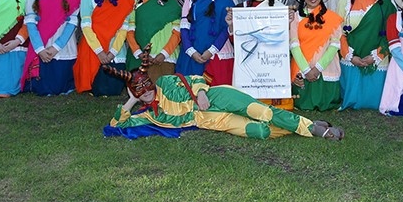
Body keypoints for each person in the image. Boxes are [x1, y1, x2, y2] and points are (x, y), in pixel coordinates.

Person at [104, 63, 344, 140]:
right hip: (210, 119)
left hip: (216, 96)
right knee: (259, 131)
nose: (145, 91)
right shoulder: (146, 116)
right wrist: (130, 102)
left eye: (145, 84)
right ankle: (302, 125)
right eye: (138, 89)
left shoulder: (166, 82)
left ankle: (312, 129)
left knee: (261, 111)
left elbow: (195, 77)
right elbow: (115, 127)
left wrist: (200, 93)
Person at [226, 0, 293, 110]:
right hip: (249, 57)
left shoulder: (279, 9)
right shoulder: (241, 9)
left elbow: (283, 40)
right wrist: (231, 24)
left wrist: (288, 23)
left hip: (271, 58)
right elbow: (236, 41)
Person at [74, 0, 135, 96]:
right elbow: (86, 27)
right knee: (97, 88)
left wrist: (112, 52)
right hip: (93, 48)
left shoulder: (126, 0)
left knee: (113, 88)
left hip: (115, 48)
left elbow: (123, 29)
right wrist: (99, 51)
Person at [21, 0, 81, 96]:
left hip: (63, 46)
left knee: (59, 86)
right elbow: (30, 23)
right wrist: (40, 49)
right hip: (41, 43)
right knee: (43, 88)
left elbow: (72, 24)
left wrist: (55, 47)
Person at [338, 0, 395, 111]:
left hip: (377, 57)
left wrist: (377, 55)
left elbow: (392, 34)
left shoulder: (385, 3)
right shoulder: (345, 2)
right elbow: (338, 33)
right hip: (351, 55)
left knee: (375, 101)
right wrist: (350, 56)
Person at [289, 0, 344, 111]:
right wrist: (307, 70)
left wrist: (318, 68)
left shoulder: (332, 18)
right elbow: (294, 45)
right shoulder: (295, 17)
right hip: (302, 65)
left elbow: (334, 45)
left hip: (326, 65)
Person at [176, 0, 235, 85]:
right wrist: (190, 51)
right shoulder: (189, 1)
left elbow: (227, 29)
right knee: (190, 91)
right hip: (193, 51)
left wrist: (211, 51)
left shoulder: (226, 1)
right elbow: (184, 28)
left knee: (217, 94)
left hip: (217, 52)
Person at [125, 0, 181, 85]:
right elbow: (130, 31)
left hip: (166, 55)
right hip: (143, 56)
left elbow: (177, 32)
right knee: (144, 90)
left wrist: (163, 54)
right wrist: (139, 53)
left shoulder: (172, 4)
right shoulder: (137, 4)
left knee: (165, 90)